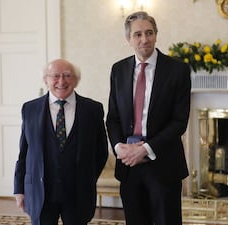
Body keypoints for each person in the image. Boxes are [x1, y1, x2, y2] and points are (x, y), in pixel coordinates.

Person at [106, 11, 191, 225]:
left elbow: (179, 121)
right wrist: (119, 148)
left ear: (156, 34)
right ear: (129, 39)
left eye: (149, 33)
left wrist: (145, 149)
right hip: (128, 165)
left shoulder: (178, 70)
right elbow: (113, 117)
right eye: (137, 34)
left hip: (163, 163)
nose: (144, 39)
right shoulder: (118, 70)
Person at [14, 59, 108, 225]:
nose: (61, 81)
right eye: (55, 76)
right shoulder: (30, 109)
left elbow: (101, 152)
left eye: (67, 76)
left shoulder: (93, 109)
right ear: (46, 80)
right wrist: (19, 189)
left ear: (76, 80)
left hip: (77, 194)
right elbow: (24, 152)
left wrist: (87, 179)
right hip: (40, 192)